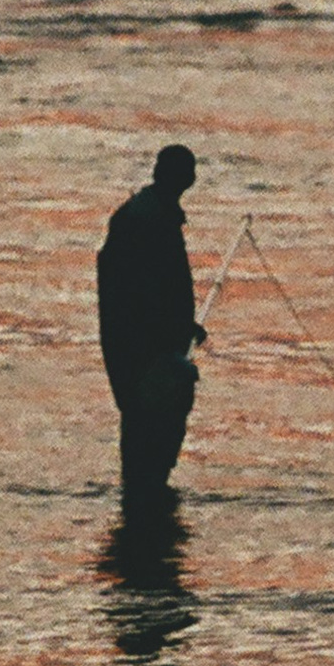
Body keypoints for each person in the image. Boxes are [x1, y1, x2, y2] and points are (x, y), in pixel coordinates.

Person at [96, 144, 201, 514]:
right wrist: (168, 336)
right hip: (144, 355)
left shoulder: (150, 215)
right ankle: (144, 512)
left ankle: (143, 510)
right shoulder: (147, 219)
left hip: (148, 351)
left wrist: (184, 327)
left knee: (148, 436)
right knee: (149, 435)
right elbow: (138, 292)